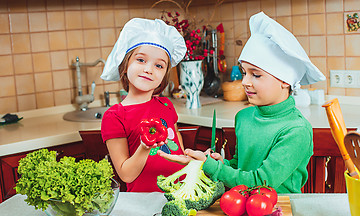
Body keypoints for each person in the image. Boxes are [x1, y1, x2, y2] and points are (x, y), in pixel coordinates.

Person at [158, 12, 326, 193]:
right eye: (244, 72)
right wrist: (222, 164)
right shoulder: (244, 117)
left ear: (285, 80)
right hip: (242, 205)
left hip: (281, 212)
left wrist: (212, 167)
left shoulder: (296, 130)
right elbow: (241, 167)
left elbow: (262, 181)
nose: (245, 81)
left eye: (256, 74)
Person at [100, 18, 187, 192]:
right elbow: (126, 175)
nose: (149, 69)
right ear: (125, 66)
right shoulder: (115, 116)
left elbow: (178, 146)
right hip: (144, 203)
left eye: (159, 65)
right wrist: (145, 147)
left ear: (164, 75)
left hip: (181, 195)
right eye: (141, 60)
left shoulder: (167, 104)